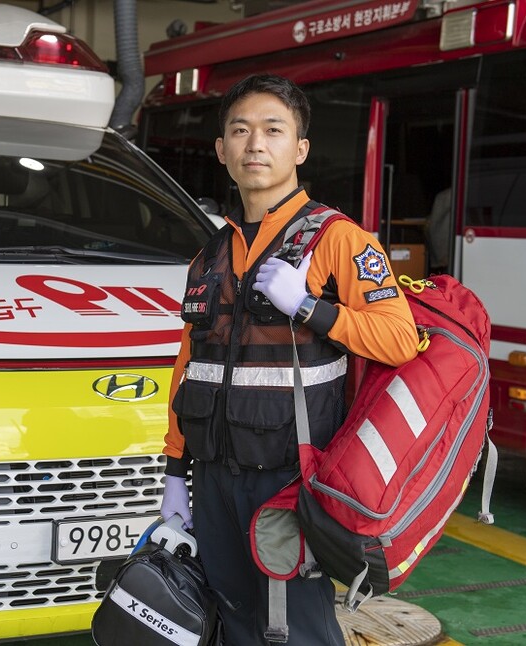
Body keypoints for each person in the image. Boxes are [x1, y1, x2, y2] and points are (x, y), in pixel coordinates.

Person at [159, 74, 419, 645]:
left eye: (273, 130)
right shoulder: (209, 255)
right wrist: (175, 472)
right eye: (241, 131)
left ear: (299, 149)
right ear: (222, 151)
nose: (256, 144)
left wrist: (307, 307)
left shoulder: (338, 240)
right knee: (231, 619)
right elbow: (189, 367)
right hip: (213, 474)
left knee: (295, 626)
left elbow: (400, 338)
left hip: (291, 478)